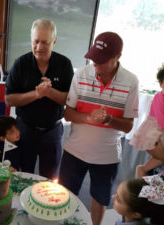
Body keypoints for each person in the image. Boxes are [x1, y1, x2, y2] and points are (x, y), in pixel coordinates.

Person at [59, 32, 139, 225]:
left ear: (118, 57)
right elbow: (68, 114)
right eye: (93, 57)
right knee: (65, 196)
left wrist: (109, 119)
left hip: (107, 156)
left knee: (100, 199)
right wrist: (88, 117)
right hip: (74, 151)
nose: (95, 63)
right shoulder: (81, 74)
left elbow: (128, 125)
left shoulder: (131, 81)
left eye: (102, 60)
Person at [5, 18, 74, 179]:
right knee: (23, 175)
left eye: (45, 42)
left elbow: (71, 100)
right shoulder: (20, 63)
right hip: (25, 129)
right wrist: (36, 94)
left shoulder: (64, 64)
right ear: (31, 39)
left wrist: (49, 92)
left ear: (54, 41)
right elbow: (9, 99)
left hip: (53, 130)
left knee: (50, 178)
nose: (39, 47)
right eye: (36, 41)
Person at [130, 64, 164, 178]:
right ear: (161, 84)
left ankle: (143, 168)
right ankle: (143, 169)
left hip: (160, 128)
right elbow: (161, 119)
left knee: (159, 157)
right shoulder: (159, 97)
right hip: (156, 128)